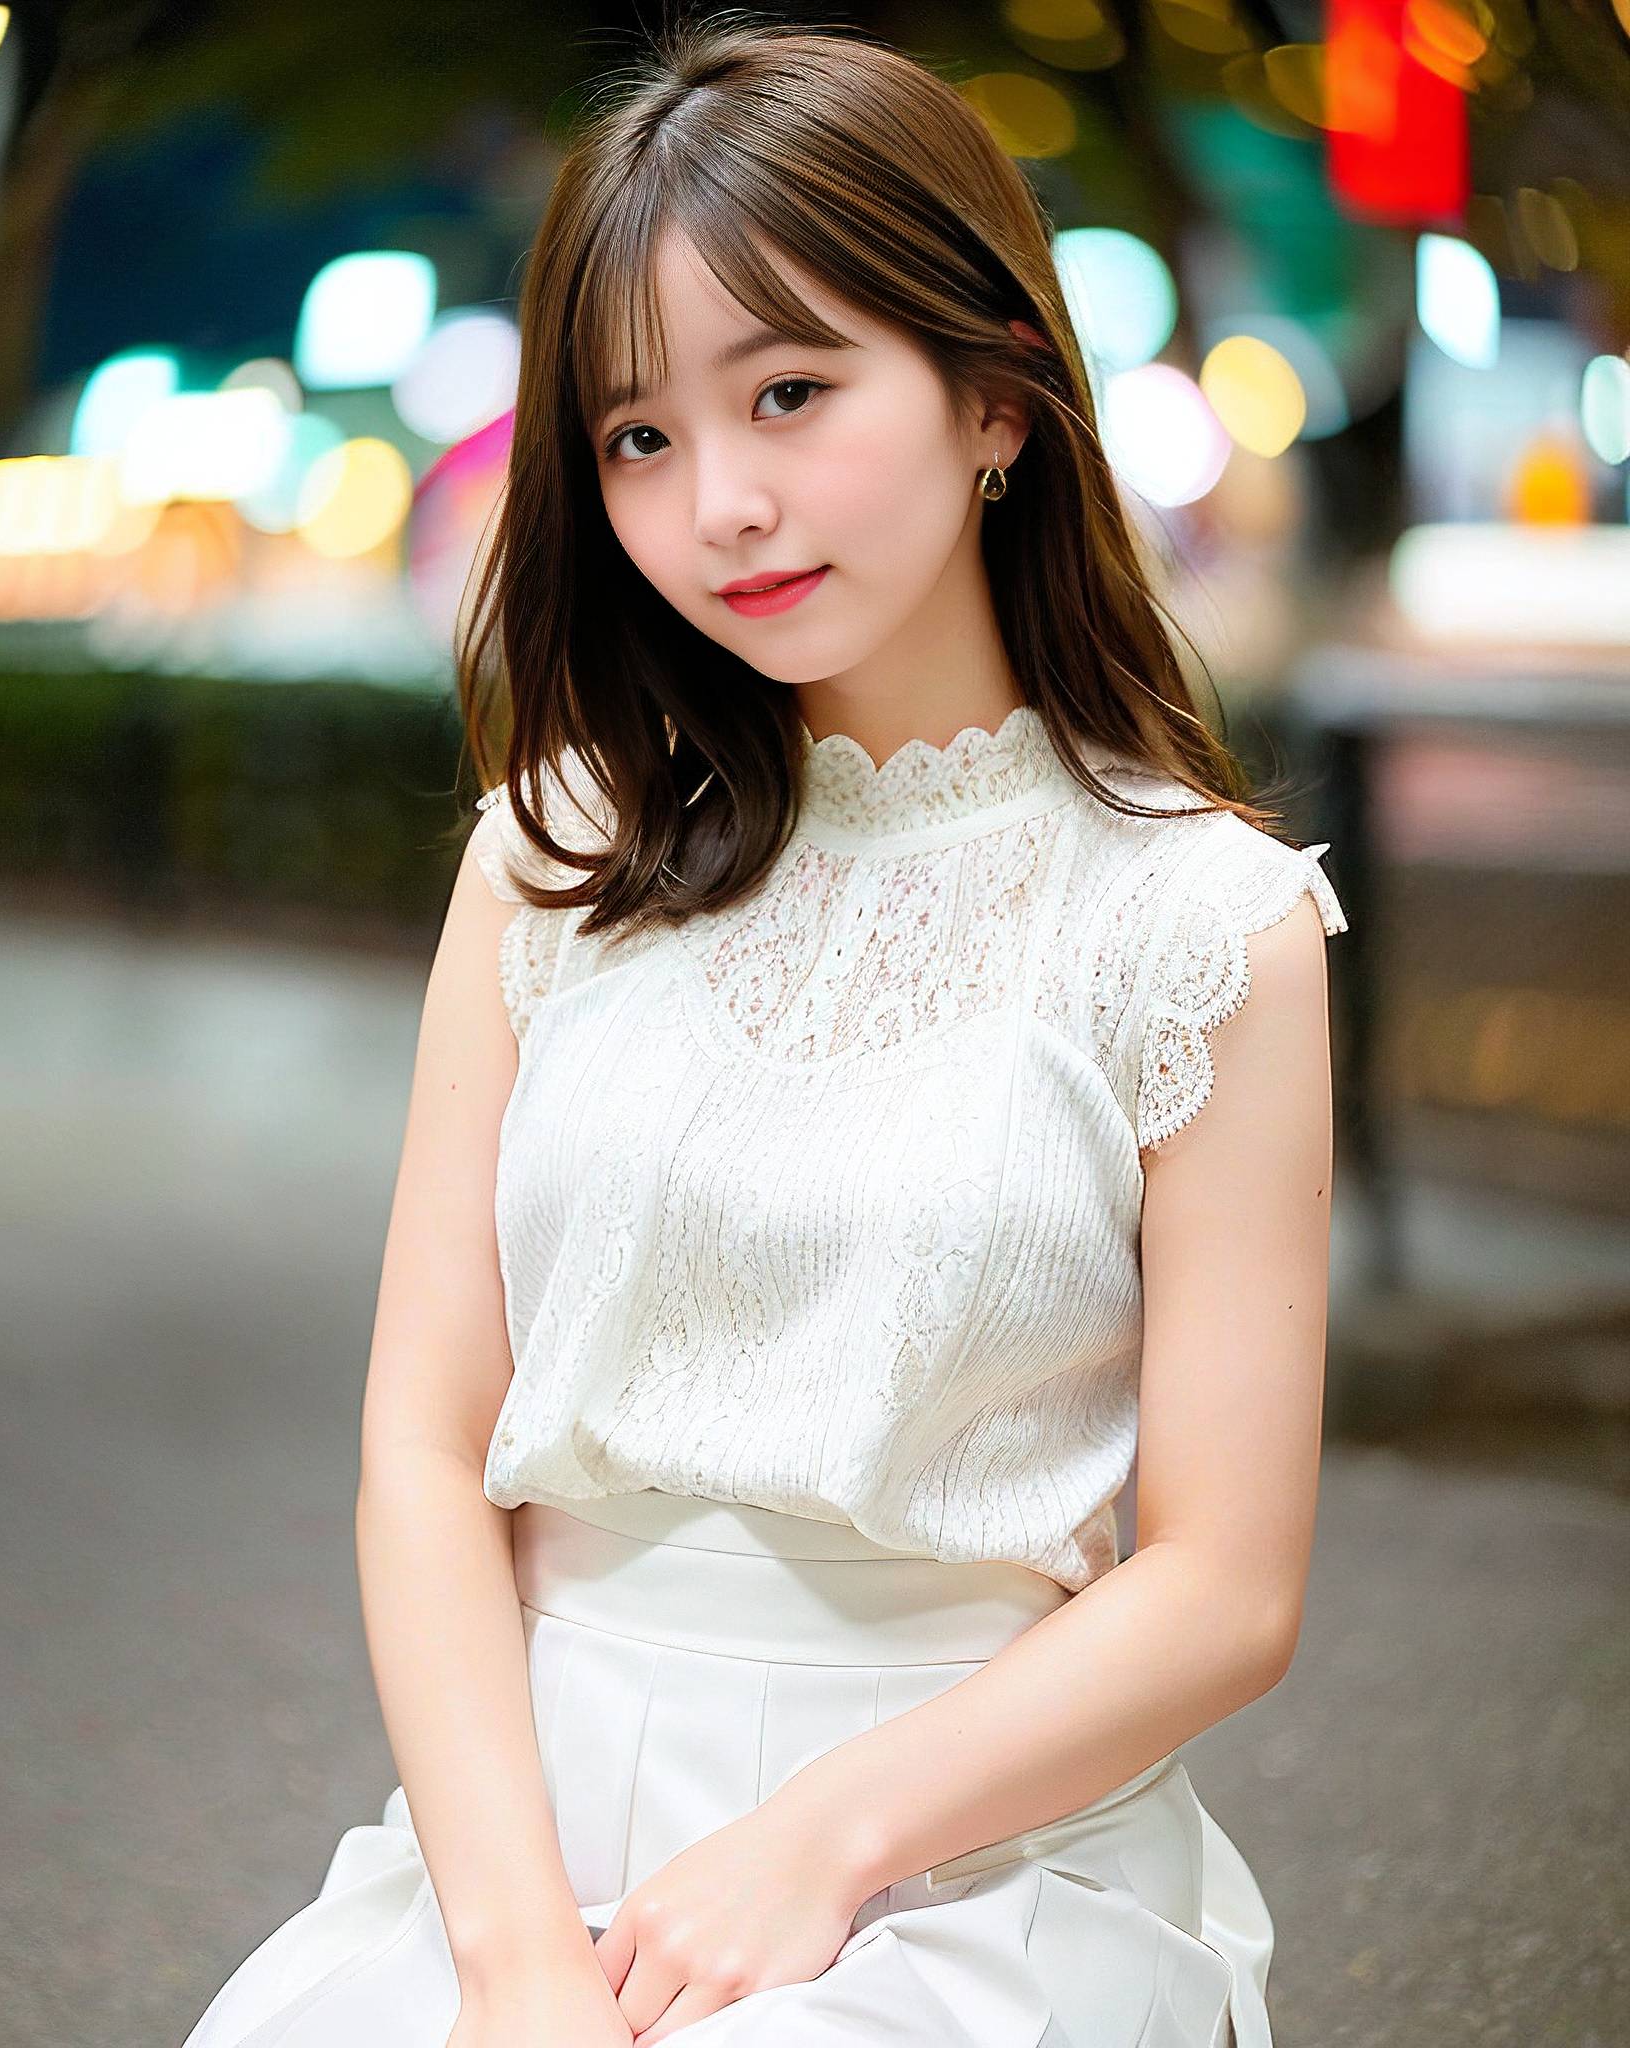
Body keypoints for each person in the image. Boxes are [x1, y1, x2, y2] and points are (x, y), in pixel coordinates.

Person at [178, 15, 1349, 2047]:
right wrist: (516, 1952)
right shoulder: (552, 853)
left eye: (789, 391)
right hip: (520, 1847)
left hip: (976, 1861)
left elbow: (1225, 1584)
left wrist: (825, 1840)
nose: (718, 501)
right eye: (637, 436)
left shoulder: (1195, 919)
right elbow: (422, 1445)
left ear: (996, 398)